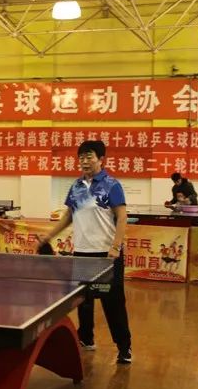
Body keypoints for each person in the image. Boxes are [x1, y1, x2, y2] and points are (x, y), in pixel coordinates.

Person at [37, 140, 132, 364]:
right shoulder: (77, 186)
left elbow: (122, 216)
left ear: (101, 160)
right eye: (81, 157)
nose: (84, 161)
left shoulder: (111, 185)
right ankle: (86, 338)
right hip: (82, 252)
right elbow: (69, 216)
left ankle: (124, 347)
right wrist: (49, 236)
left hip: (107, 254)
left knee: (113, 303)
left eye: (89, 157)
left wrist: (115, 246)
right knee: (84, 300)